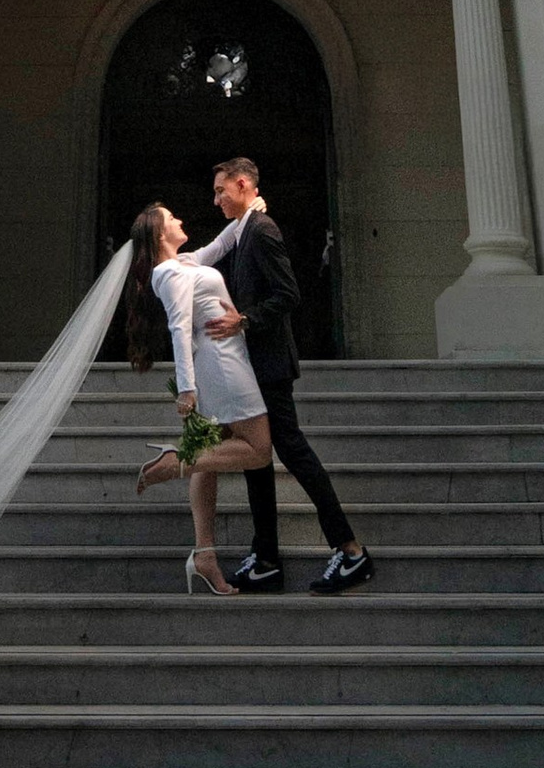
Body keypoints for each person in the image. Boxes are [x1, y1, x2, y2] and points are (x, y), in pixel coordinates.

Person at [195, 154, 372, 592]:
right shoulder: (244, 229)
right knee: (256, 457)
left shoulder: (263, 230)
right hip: (252, 365)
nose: (215, 199)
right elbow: (210, 252)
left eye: (220, 190)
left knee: (292, 450)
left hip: (270, 365)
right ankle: (266, 557)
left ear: (241, 185)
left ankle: (350, 552)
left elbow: (289, 294)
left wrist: (245, 320)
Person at [124, 202, 272, 597]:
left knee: (213, 454)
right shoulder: (167, 272)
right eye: (173, 218)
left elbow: (222, 245)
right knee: (258, 450)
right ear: (158, 234)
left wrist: (248, 212)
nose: (181, 219)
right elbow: (179, 327)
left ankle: (204, 553)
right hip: (221, 365)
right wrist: (186, 388)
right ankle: (173, 464)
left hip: (222, 361)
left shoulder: (185, 261)